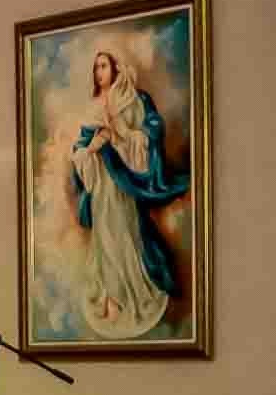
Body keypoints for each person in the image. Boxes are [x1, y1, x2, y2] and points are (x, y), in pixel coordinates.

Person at [66, 48, 189, 340]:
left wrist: (118, 135)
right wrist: (93, 148)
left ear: (116, 69)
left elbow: (147, 137)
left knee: (124, 237)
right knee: (104, 241)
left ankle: (131, 292)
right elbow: (81, 149)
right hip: (102, 187)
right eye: (96, 67)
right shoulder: (94, 106)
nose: (99, 72)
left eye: (104, 66)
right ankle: (110, 297)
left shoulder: (134, 100)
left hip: (123, 187)